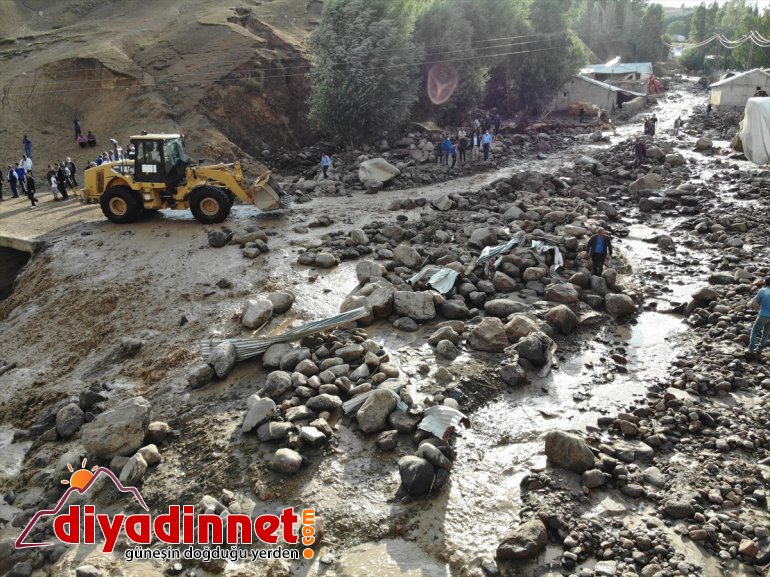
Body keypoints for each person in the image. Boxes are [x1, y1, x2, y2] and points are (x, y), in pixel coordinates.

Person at [748, 277, 770, 355]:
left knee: (755, 331)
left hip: (763, 314)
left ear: (765, 283)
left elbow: (755, 302)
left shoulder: (762, 291)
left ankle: (751, 349)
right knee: (766, 332)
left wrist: (750, 306)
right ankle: (760, 349)